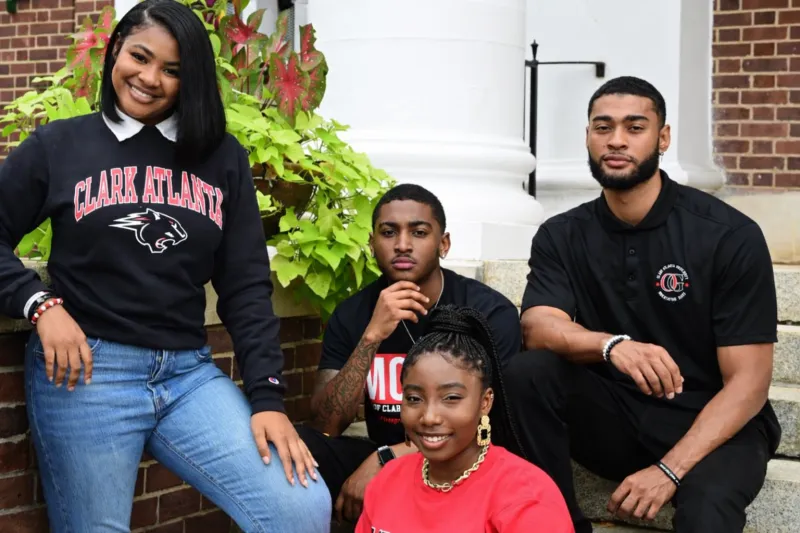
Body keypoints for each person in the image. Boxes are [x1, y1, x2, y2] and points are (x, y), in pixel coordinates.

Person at [0, 1, 331, 531]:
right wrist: (39, 305)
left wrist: (267, 399)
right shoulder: (60, 146)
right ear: (115, 52)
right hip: (88, 373)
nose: (150, 78)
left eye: (173, 70)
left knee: (299, 508)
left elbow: (246, 286)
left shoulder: (222, 158)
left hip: (187, 374)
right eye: (140, 56)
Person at [503, 75, 781, 533]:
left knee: (707, 511)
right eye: (602, 127)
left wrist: (668, 471)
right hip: (617, 415)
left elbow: (749, 383)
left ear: (663, 137)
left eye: (635, 127)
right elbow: (537, 327)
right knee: (527, 373)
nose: (616, 140)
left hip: (715, 425)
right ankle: (559, 525)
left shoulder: (728, 235)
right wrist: (612, 345)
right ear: (588, 136)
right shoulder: (562, 233)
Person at [295, 183, 522, 524]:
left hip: (463, 457)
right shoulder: (354, 314)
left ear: (443, 244)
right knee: (295, 445)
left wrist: (388, 458)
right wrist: (371, 337)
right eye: (389, 233)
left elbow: (494, 422)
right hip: (383, 450)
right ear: (372, 244)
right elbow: (327, 425)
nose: (402, 245)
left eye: (418, 232)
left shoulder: (487, 313)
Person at [355, 305, 573, 532]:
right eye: (414, 398)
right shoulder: (387, 480)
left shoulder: (526, 496)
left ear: (485, 402)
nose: (429, 417)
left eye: (451, 398)